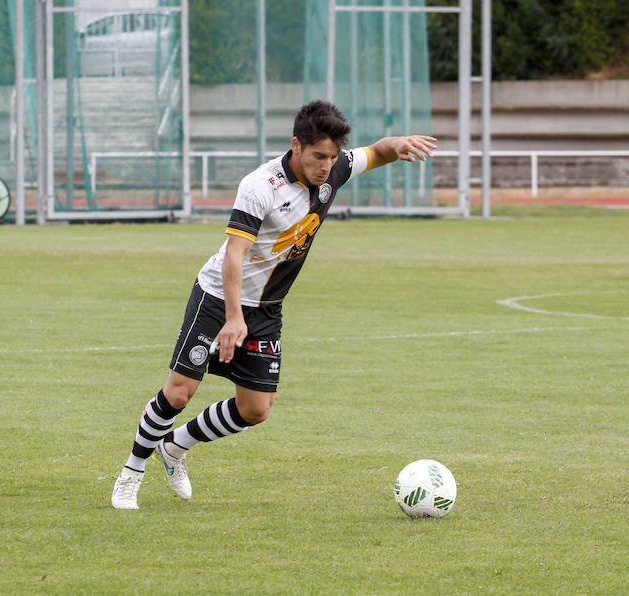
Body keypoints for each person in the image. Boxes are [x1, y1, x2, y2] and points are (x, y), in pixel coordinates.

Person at [111, 100, 436, 509]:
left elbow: (379, 151)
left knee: (256, 409)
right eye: (319, 156)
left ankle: (175, 446)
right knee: (178, 393)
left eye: (333, 157)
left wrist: (400, 143)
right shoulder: (260, 185)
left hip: (267, 308)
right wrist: (232, 319)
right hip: (217, 298)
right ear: (296, 146)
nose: (327, 165)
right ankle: (130, 474)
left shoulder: (334, 169)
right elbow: (234, 255)